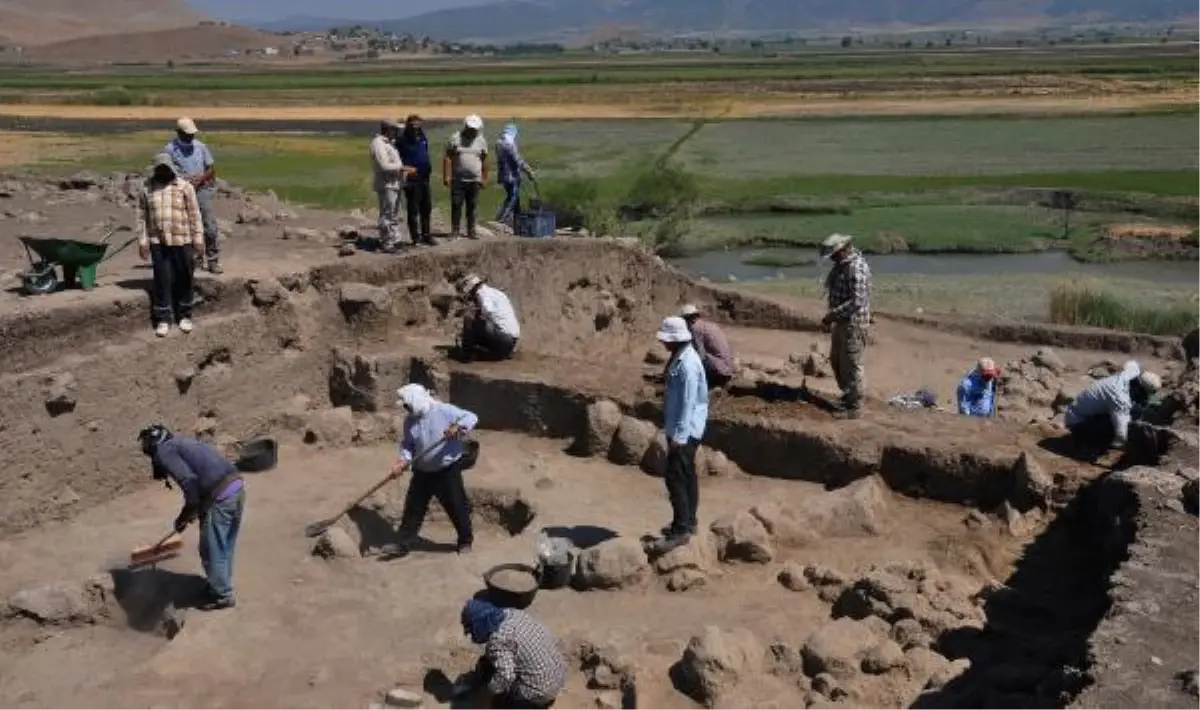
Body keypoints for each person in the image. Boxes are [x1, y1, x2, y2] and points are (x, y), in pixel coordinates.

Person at [137, 424, 245, 611]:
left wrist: (185, 514)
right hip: (236, 489)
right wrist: (195, 509)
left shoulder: (164, 450)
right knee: (224, 544)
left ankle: (222, 595)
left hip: (221, 497)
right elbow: (203, 476)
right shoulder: (182, 442)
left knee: (212, 550)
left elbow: (189, 481)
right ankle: (219, 585)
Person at [392, 384, 479, 556]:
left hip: (446, 470)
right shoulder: (410, 420)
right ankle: (406, 541)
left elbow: (471, 417)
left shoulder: (443, 411)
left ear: (416, 400)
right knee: (413, 508)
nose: (406, 408)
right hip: (421, 472)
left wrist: (458, 427)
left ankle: (465, 541)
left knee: (456, 505)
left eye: (407, 405)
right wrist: (402, 461)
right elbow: (409, 445)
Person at [653, 316, 709, 551]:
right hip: (684, 428)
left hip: (685, 431)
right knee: (687, 475)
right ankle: (689, 521)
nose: (663, 344)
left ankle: (681, 529)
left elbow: (687, 402)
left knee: (674, 477)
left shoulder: (687, 364)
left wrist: (679, 436)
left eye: (666, 340)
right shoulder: (682, 356)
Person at [137, 153, 204, 338]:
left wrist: (198, 239)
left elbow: (194, 214)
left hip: (183, 239)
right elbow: (141, 216)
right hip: (159, 241)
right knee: (162, 279)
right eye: (160, 169)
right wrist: (143, 242)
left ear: (172, 169)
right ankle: (163, 318)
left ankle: (185, 315)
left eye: (166, 169)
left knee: (185, 277)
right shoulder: (147, 188)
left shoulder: (185, 187)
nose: (163, 172)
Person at [458, 598, 566, 709]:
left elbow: (506, 676)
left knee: (498, 697)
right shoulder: (511, 613)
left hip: (541, 691)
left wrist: (487, 695)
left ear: (479, 624)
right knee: (488, 661)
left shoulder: (498, 639)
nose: (471, 635)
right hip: (557, 676)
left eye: (471, 630)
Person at [820, 233, 872, 420]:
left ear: (842, 251)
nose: (832, 259)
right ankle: (848, 396)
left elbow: (857, 301)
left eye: (833, 255)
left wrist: (832, 315)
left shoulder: (855, 268)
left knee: (851, 364)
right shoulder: (843, 266)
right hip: (842, 322)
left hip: (853, 324)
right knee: (837, 361)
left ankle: (855, 407)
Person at [163, 118, 221, 274]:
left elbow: (211, 169)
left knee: (209, 225)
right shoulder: (169, 150)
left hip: (201, 189)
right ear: (179, 133)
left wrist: (200, 178)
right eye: (187, 135)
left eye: (192, 135)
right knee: (186, 227)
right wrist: (183, 181)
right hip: (180, 192)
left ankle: (212, 259)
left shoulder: (200, 147)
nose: (190, 138)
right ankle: (193, 259)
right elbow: (165, 173)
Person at [1064, 361, 1161, 451]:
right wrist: (1131, 447)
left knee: (1137, 410)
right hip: (1078, 422)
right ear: (1138, 389)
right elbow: (1122, 434)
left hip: (1084, 413)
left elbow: (1132, 363)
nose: (1146, 399)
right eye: (1144, 395)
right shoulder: (1119, 397)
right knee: (1120, 425)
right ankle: (1086, 444)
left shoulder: (1131, 374)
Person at [370, 119, 416, 251]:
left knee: (394, 214)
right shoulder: (378, 144)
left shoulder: (389, 143)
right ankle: (386, 242)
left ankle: (395, 239)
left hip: (394, 183)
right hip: (386, 184)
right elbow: (383, 165)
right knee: (387, 214)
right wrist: (402, 168)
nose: (397, 132)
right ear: (388, 129)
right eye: (395, 130)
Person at [443, 114, 489, 240]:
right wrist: (447, 176)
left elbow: (484, 159)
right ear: (466, 126)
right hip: (458, 179)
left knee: (472, 206)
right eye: (471, 128)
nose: (473, 130)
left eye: (475, 129)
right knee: (456, 205)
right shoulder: (455, 138)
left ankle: (471, 231)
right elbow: (448, 157)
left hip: (474, 180)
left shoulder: (481, 140)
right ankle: (455, 231)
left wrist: (485, 178)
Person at [457, 273, 520, 361]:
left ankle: (466, 355)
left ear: (472, 289)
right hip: (511, 341)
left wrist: (476, 313)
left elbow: (488, 310)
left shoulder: (482, 293)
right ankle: (497, 352)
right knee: (478, 325)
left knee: (469, 319)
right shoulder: (495, 292)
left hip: (504, 339)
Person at [397, 114, 436, 246]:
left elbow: (425, 151)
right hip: (412, 179)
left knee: (426, 207)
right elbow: (398, 158)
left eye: (418, 124)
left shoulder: (422, 136)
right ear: (408, 125)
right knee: (413, 209)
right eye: (413, 124)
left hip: (425, 177)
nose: (415, 127)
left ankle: (427, 234)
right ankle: (415, 238)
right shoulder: (402, 139)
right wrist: (405, 170)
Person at [680, 304, 735, 389]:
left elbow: (700, 355)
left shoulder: (695, 328)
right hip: (727, 367)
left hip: (720, 370)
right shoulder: (707, 325)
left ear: (687, 318)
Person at [495, 123, 535, 227]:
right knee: (512, 198)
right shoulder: (509, 145)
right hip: (511, 176)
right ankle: (501, 220)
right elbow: (518, 161)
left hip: (503, 175)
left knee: (515, 199)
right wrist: (529, 171)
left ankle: (518, 222)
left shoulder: (499, 143)